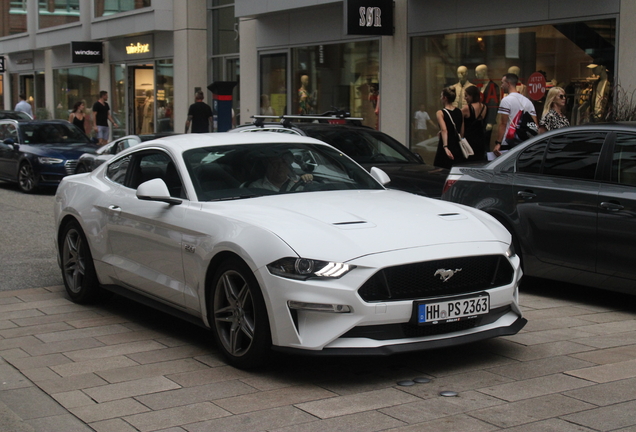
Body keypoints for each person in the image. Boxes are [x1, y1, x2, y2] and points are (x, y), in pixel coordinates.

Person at [493, 73, 537, 157]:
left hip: (508, 141)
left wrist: (498, 142)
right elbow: (535, 123)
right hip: (525, 142)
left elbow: (503, 123)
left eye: (502, 83)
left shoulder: (506, 100)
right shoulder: (528, 101)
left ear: (508, 83)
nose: (501, 86)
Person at [434, 87, 466, 169]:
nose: (440, 98)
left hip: (447, 143)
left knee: (441, 169)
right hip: (457, 145)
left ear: (445, 98)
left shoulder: (440, 113)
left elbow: (444, 130)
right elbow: (462, 130)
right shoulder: (460, 111)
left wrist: (445, 147)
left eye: (441, 96)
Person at [461, 85, 488, 161]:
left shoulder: (466, 108)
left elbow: (460, 125)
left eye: (466, 96)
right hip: (481, 139)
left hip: (469, 140)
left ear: (472, 95)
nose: (465, 98)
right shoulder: (484, 107)